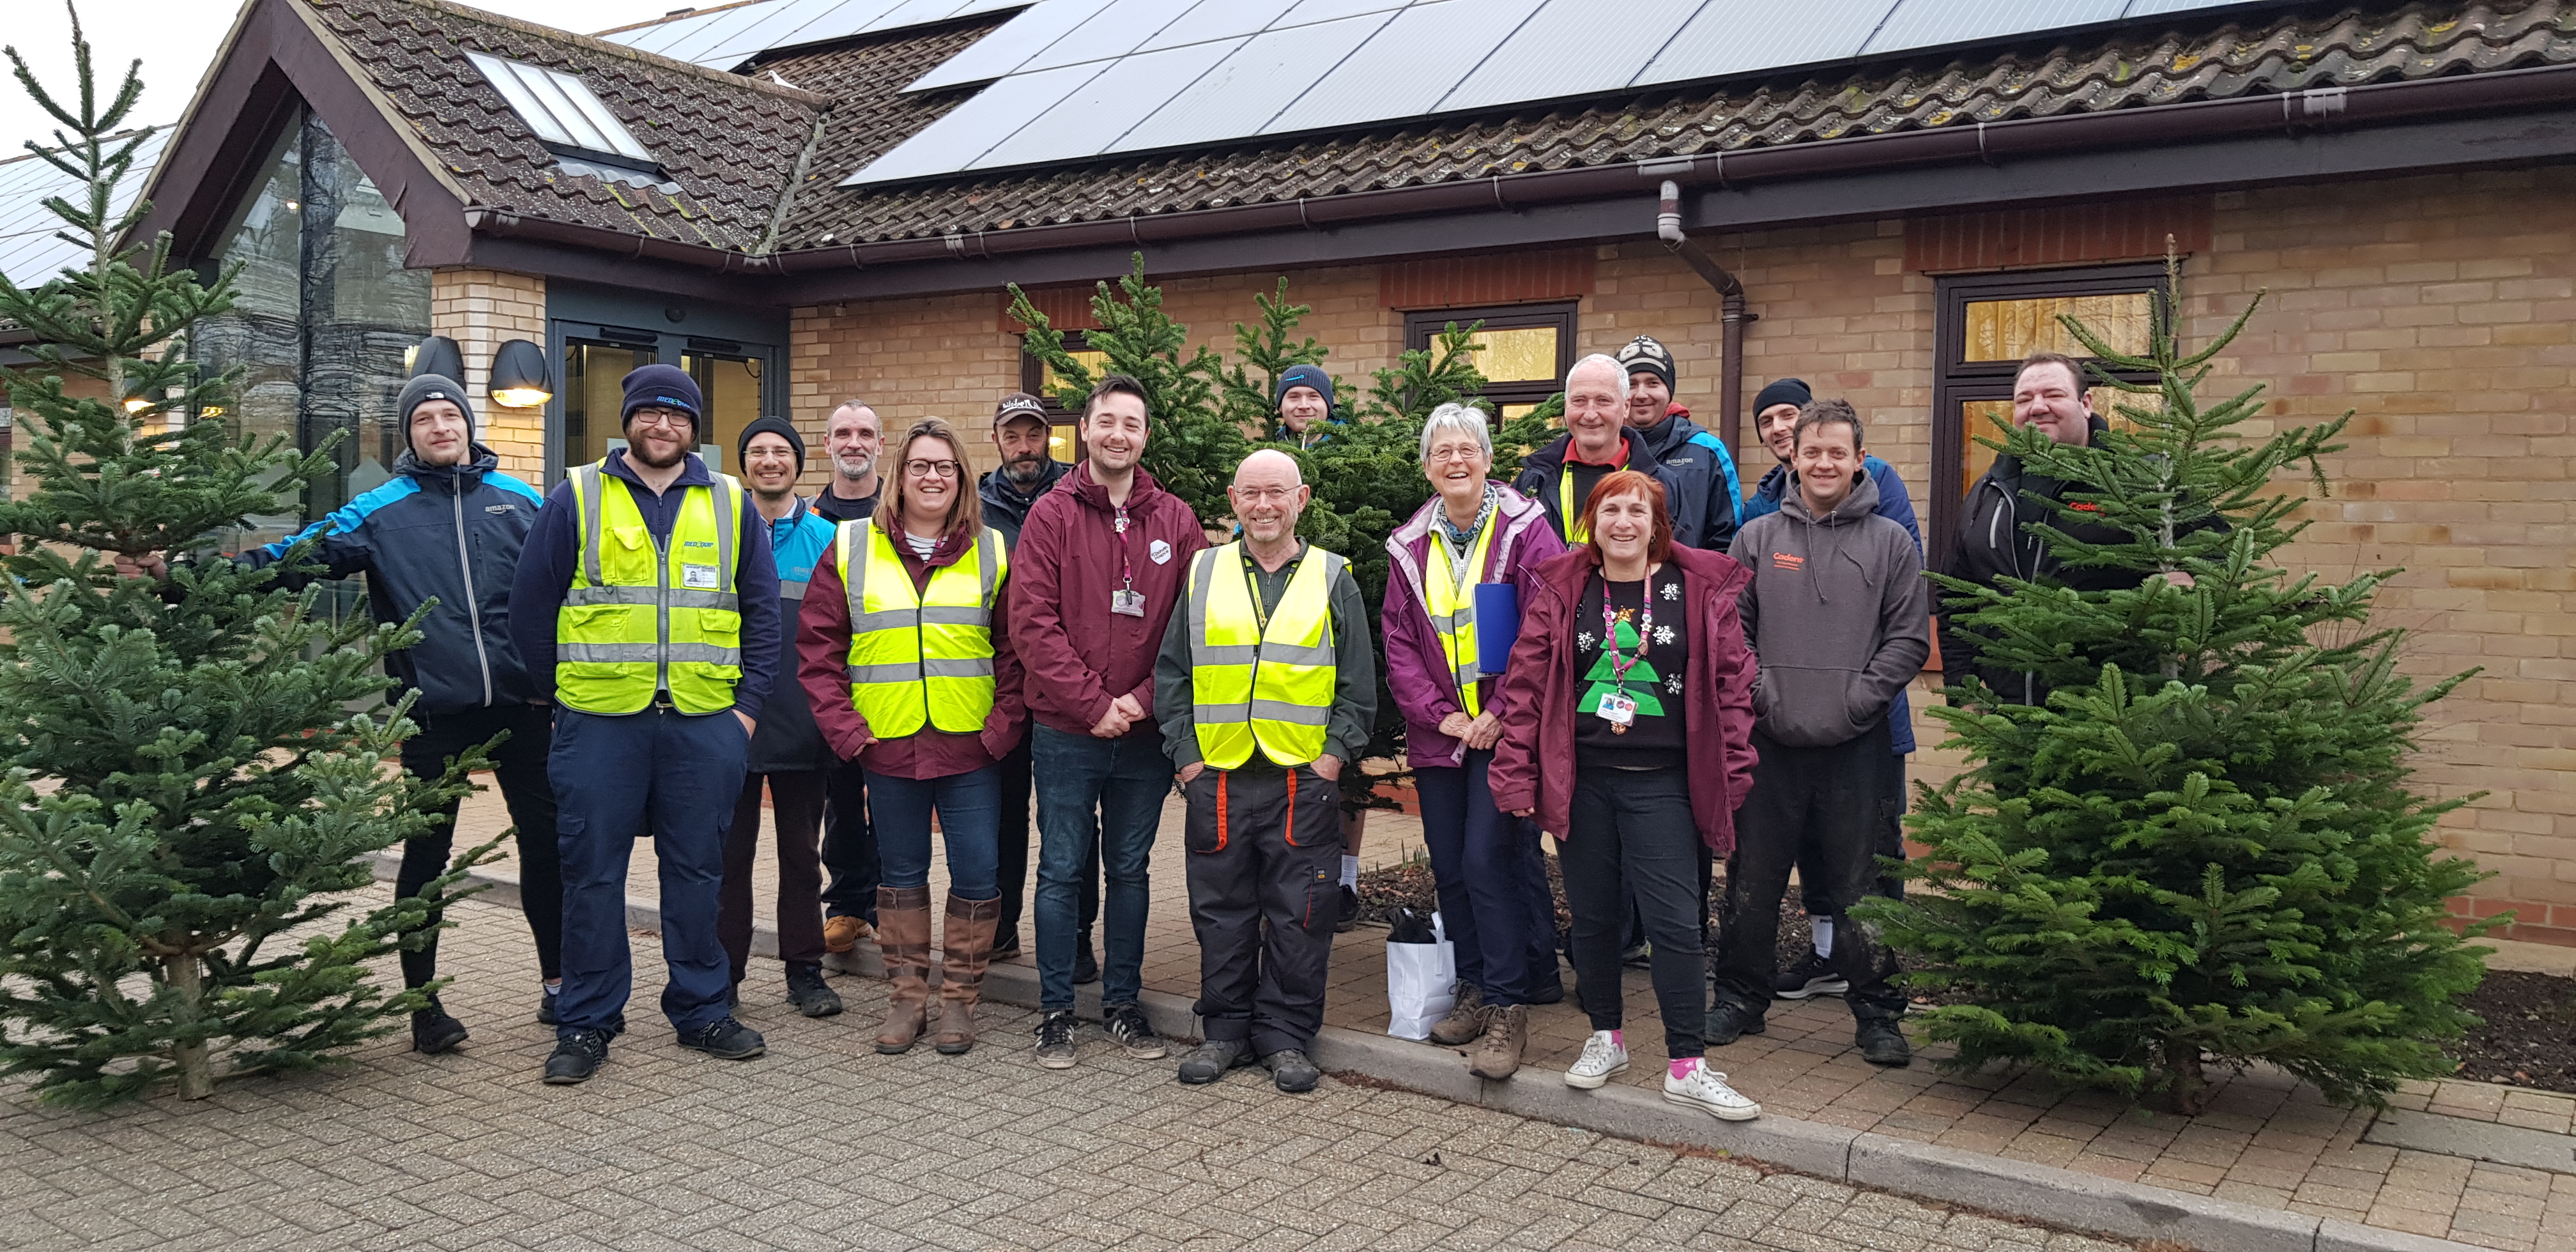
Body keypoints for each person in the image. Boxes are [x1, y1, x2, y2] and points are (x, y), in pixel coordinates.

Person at [134, 376, 563, 1055]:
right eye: (425, 418)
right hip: (433, 710)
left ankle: (560, 985)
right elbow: (291, 560)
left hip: (526, 707)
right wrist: (179, 579)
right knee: (427, 854)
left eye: (451, 414)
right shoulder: (380, 508)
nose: (441, 425)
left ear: (469, 427)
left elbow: (570, 580)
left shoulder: (524, 502)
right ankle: (426, 1011)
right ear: (409, 435)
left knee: (549, 846)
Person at [508, 364, 782, 1085]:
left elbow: (762, 616)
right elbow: (530, 610)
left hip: (703, 724)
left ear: (696, 429)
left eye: (679, 416)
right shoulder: (579, 495)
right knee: (591, 875)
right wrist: (562, 697)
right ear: (627, 421)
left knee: (697, 872)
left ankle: (702, 1010)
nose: (663, 427)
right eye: (650, 414)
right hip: (600, 723)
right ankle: (588, 1022)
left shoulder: (730, 502)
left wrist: (744, 714)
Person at [1489, 470, 1761, 1120]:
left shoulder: (1693, 590)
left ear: (1657, 522)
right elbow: (1524, 690)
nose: (1623, 522)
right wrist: (1517, 775)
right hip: (1581, 781)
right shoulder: (1564, 590)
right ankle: (1605, 1037)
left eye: (1637, 510)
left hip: (1663, 783)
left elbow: (1731, 685)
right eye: (1610, 509)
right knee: (1594, 918)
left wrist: (1735, 767)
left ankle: (1686, 1064)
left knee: (1674, 925)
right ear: (1592, 520)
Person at [1709, 400, 1931, 1069]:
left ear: (1860, 459)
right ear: (1793, 458)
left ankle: (1878, 1013)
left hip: (1856, 741)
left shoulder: (1891, 542)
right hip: (1769, 740)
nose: (1824, 463)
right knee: (1754, 877)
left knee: (1866, 882)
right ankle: (1740, 997)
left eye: (1838, 452)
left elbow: (1909, 639)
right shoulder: (1756, 537)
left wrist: (1856, 701)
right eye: (1813, 452)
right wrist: (1762, 696)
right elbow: (1729, 630)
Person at [799, 418, 1024, 1057]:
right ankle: (907, 999)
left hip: (971, 746)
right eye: (920, 466)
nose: (932, 478)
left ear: (961, 481)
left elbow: (1014, 650)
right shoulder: (850, 546)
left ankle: (959, 1002)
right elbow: (819, 649)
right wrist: (848, 730)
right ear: (898, 476)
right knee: (899, 873)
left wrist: (1003, 727)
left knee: (979, 872)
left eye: (945, 468)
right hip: (888, 744)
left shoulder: (993, 549)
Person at [1154, 449, 1376, 1094]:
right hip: (1217, 776)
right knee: (1220, 911)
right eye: (1251, 493)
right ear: (1233, 498)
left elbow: (1358, 686)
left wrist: (1334, 756)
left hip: (1300, 779)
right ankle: (1224, 1032)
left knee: (1300, 911)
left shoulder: (1335, 577)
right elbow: (1174, 672)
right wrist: (1186, 758)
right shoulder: (1202, 571)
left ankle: (1285, 1037)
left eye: (1277, 492)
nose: (1264, 505)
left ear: (1301, 498)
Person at [1011, 374, 1206, 1069]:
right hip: (1067, 731)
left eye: (1132, 423)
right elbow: (1031, 623)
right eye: (1107, 422)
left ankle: (1124, 1003)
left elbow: (1191, 626)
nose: (1119, 433)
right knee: (1062, 869)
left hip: (1146, 735)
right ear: (1085, 432)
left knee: (1130, 868)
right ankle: (1057, 1009)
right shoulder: (1051, 515)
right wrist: (1094, 704)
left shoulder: (1178, 521)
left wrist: (1141, 702)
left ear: (1144, 436)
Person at [1381, 402, 1567, 1081]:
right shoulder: (1410, 543)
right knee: (1452, 866)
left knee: (1491, 860)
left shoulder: (1527, 531)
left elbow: (1545, 630)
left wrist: (1499, 714)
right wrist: (1444, 716)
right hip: (1441, 738)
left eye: (1467, 449)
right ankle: (1475, 986)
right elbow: (1399, 642)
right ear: (1427, 465)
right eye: (1441, 452)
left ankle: (1510, 1005)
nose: (1454, 462)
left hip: (1507, 731)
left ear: (1489, 459)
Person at [1942, 351, 2211, 708]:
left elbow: (2222, 551)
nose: (2037, 407)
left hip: (2118, 722)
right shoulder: (1989, 491)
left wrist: (2192, 579)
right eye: (2024, 399)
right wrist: (1963, 692)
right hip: (2008, 725)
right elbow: (1954, 599)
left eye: (2053, 395)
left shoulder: (2144, 481)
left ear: (2086, 403)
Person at [717, 416, 843, 1018]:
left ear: (798, 463)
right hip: (727, 723)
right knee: (727, 859)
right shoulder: (720, 529)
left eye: (781, 452)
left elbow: (843, 633)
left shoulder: (828, 539)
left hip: (803, 724)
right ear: (745, 465)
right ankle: (725, 977)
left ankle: (806, 971)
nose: (770, 461)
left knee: (801, 854)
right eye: (757, 452)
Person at [974, 392, 1092, 967]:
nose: (1025, 447)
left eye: (1034, 435)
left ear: (1051, 438)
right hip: (997, 685)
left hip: (1062, 684)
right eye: (1013, 436)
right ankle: (1001, 927)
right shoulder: (974, 504)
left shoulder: (1075, 495)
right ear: (997, 440)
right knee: (1003, 812)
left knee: (1069, 817)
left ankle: (1074, 936)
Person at [811, 401, 884, 956]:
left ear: (880, 445)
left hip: (890, 685)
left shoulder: (900, 512)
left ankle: (883, 904)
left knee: (889, 802)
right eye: (843, 433)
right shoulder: (811, 521)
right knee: (839, 802)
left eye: (865, 433)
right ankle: (845, 907)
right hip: (832, 687)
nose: (854, 442)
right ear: (828, 445)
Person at [1510, 355, 1678, 547]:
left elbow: (1676, 564)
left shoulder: (1660, 484)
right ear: (1566, 407)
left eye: (1603, 400)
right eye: (1579, 401)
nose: (1590, 414)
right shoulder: (1533, 479)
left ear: (1625, 407)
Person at [1616, 335, 1741, 552]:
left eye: (1653, 383)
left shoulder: (1706, 449)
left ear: (1669, 391)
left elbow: (1727, 535)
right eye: (1632, 384)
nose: (1642, 394)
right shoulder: (1606, 448)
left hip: (1688, 582)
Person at [1271, 363, 1336, 449]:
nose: (1304, 405)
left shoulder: (1356, 452)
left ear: (1328, 406)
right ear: (1280, 407)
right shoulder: (1268, 453)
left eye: (1313, 396)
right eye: (1294, 397)